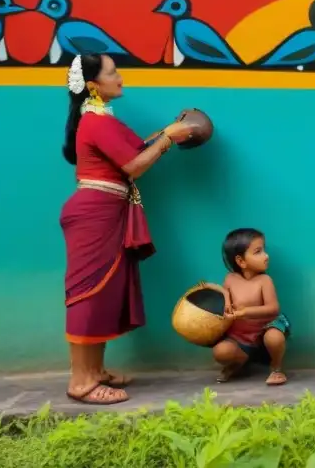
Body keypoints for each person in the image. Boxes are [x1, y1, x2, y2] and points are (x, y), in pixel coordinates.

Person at [61, 53, 193, 405]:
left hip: (106, 212)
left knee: (101, 291)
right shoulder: (96, 121)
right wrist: (168, 137)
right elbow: (134, 165)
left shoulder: (100, 119)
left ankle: (95, 370)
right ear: (93, 85)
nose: (120, 77)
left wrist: (167, 134)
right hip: (95, 215)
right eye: (112, 72)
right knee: (87, 293)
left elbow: (135, 152)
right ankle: (81, 382)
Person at [210, 228, 290, 386]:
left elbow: (273, 308)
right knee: (220, 352)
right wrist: (226, 304)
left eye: (264, 250)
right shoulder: (230, 279)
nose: (266, 256)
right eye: (258, 252)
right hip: (240, 336)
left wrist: (246, 312)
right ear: (241, 261)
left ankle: (276, 367)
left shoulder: (264, 281)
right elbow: (226, 295)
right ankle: (240, 362)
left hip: (264, 331)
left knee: (274, 337)